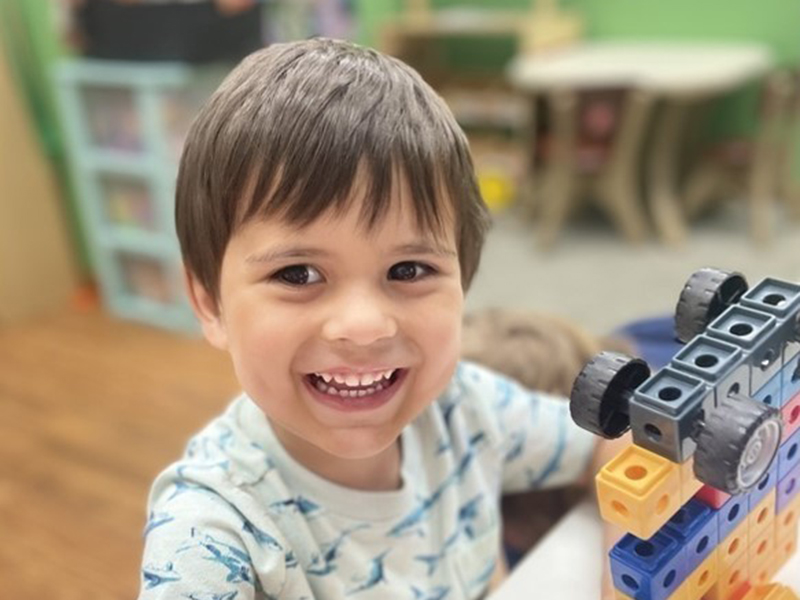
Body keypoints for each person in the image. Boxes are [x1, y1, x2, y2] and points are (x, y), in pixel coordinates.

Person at [139, 37, 620, 600]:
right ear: (209, 304)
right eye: (298, 274)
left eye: (409, 269)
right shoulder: (208, 534)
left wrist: (623, 580)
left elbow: (619, 441)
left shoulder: (467, 409)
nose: (365, 325)